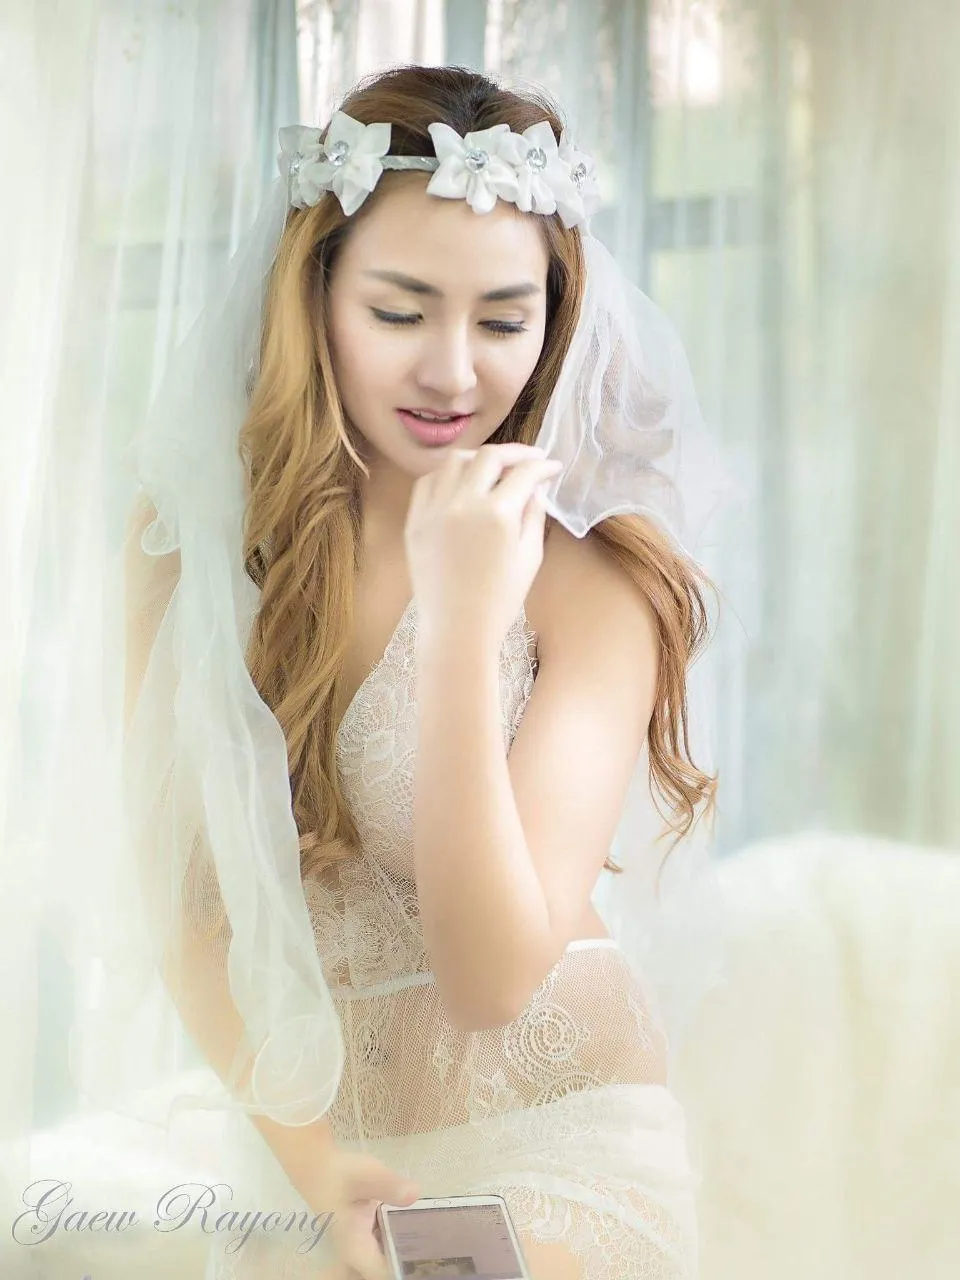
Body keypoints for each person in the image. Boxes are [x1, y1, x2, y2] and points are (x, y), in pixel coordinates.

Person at [123, 64, 733, 1280]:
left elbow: (494, 974)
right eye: (401, 312)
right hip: (324, 1155)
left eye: (504, 320)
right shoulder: (189, 551)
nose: (455, 373)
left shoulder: (594, 591)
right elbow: (187, 908)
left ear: (554, 323)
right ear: (316, 299)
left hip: (564, 1150)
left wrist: (463, 622)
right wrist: (313, 1171)